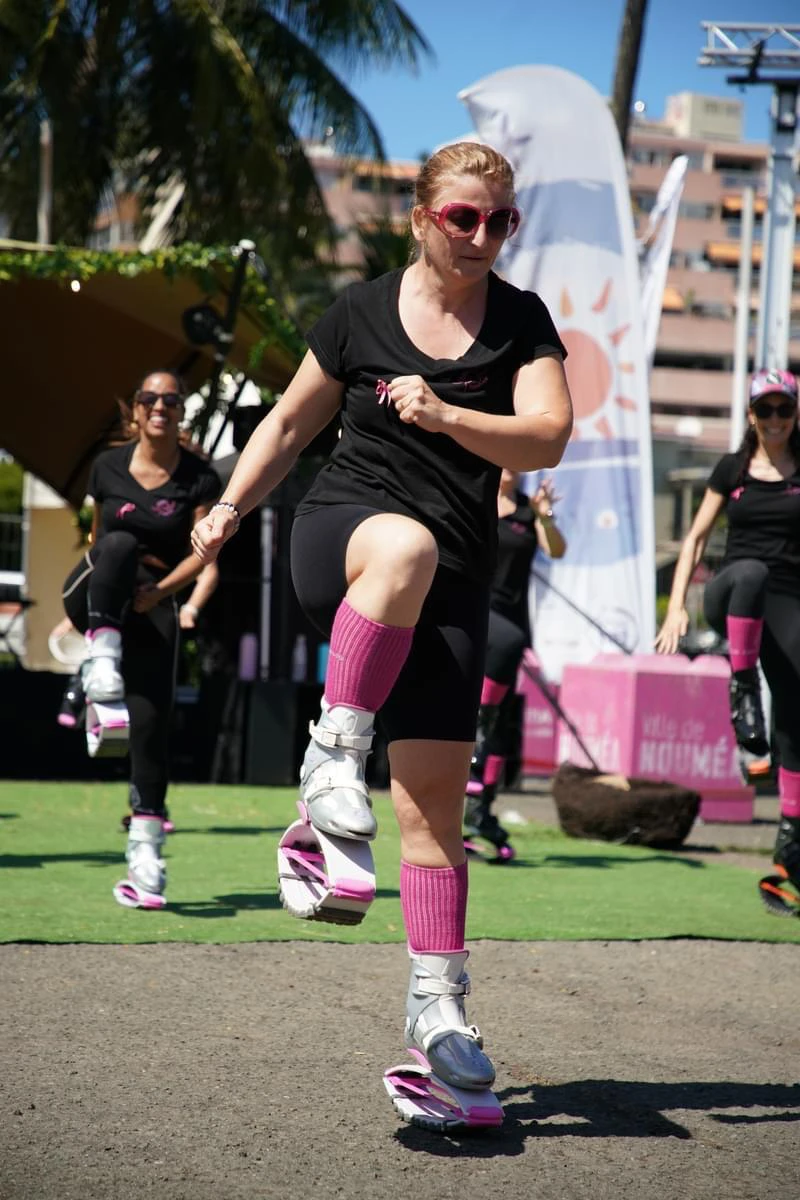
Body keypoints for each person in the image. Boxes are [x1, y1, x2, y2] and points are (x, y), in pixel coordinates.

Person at [191, 141, 572, 1109]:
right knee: (400, 546)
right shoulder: (358, 313)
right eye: (462, 218)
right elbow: (284, 428)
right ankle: (329, 756)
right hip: (346, 542)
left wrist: (445, 416)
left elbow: (547, 433)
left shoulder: (521, 323)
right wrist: (228, 511)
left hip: (452, 584)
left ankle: (436, 1008)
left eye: (498, 221)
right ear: (420, 217)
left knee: (433, 816)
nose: (481, 235)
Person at [61, 369, 220, 907]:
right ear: (134, 410)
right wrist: (93, 611)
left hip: (155, 601)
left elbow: (204, 554)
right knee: (123, 544)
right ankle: (98, 663)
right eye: (149, 398)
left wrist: (162, 595)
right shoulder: (106, 466)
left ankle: (146, 861)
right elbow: (98, 542)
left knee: (151, 731)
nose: (160, 406)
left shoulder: (199, 476)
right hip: (96, 589)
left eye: (171, 399)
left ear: (181, 411)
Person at [655, 367, 800, 906]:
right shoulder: (732, 468)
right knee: (752, 573)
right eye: (765, 409)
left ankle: (790, 842)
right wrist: (675, 613)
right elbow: (693, 539)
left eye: (784, 408)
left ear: (796, 412)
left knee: (795, 712)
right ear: (751, 415)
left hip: (787, 603)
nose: (775, 419)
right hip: (732, 592)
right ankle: (742, 693)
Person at [464, 469, 566, 860]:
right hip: (472, 618)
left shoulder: (528, 512)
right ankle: (467, 813)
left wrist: (544, 516)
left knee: (494, 727)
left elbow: (556, 550)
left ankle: (479, 813)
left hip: (509, 629)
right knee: (472, 720)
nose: (508, 467)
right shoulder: (473, 498)